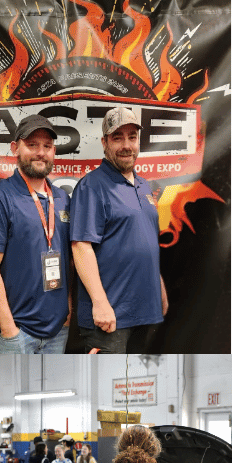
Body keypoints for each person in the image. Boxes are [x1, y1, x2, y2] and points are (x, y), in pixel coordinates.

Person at [70, 107, 168, 354]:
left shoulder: (145, 186)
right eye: (117, 137)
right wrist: (100, 303)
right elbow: (81, 247)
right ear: (104, 142)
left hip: (144, 312)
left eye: (132, 137)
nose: (126, 145)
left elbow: (146, 242)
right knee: (105, 388)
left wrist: (159, 288)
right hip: (109, 317)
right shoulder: (91, 186)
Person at [0, 114, 71, 354]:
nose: (41, 152)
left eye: (47, 146)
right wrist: (9, 330)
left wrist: (67, 314)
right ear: (14, 148)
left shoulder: (62, 198)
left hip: (58, 331)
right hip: (18, 334)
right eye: (32, 145)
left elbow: (69, 261)